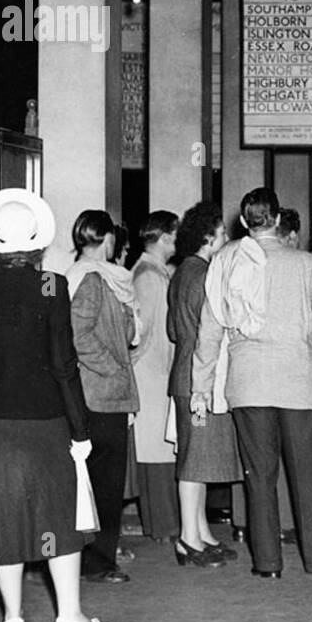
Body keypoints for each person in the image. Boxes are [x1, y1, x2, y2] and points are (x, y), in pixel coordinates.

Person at [0, 188, 119, 622]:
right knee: (57, 518)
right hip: (45, 420)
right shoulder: (51, 285)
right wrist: (80, 428)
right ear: (35, 241)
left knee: (1, 516)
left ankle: (11, 620)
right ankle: (68, 619)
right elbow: (63, 364)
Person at [193, 188, 312, 577]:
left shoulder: (225, 260)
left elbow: (209, 329)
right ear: (277, 220)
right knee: (307, 474)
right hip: (294, 384)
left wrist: (201, 387)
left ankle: (267, 563)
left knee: (259, 476)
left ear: (245, 221)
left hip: (247, 384)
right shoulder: (304, 264)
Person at [68, 209, 140, 585]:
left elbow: (122, 332)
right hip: (100, 395)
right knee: (105, 484)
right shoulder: (93, 280)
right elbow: (79, 337)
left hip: (101, 394)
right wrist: (113, 368)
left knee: (97, 483)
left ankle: (95, 558)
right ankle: (97, 563)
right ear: (107, 239)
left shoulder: (100, 279)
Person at [167, 201, 237, 567]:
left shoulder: (183, 272)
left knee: (198, 458)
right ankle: (187, 539)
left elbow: (173, 330)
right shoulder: (206, 275)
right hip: (199, 380)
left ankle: (201, 532)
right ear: (209, 238)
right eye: (222, 233)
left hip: (184, 374)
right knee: (194, 463)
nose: (226, 237)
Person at [129, 211, 181, 545]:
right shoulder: (148, 276)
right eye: (175, 236)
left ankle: (163, 524)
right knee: (157, 451)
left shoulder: (153, 271)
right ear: (163, 238)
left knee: (159, 449)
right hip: (151, 372)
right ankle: (163, 526)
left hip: (155, 371)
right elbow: (144, 330)